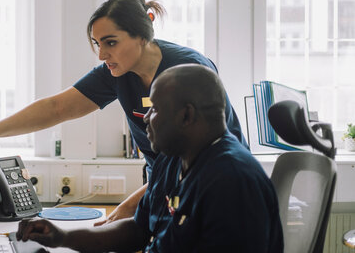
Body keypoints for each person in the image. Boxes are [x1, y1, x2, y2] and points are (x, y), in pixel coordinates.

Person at [0, 0, 246, 224]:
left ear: (142, 34)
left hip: (212, 192)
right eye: (97, 43)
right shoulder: (117, 73)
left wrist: (131, 205)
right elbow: (57, 107)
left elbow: (198, 161)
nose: (102, 54)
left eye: (110, 42)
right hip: (164, 192)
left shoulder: (188, 71)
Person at [16, 64, 283, 252]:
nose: (145, 118)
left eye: (154, 109)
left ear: (186, 116)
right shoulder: (173, 160)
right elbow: (137, 230)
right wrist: (62, 237)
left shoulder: (233, 180)